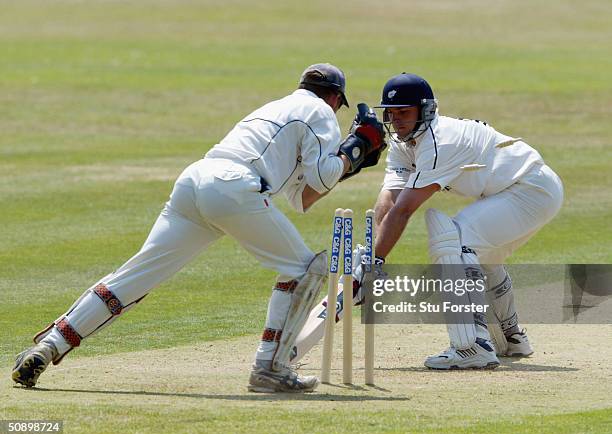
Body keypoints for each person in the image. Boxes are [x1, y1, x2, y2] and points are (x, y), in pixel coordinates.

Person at [11, 63, 386, 392]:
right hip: (235, 186)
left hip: (195, 182)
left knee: (135, 276)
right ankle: (270, 368)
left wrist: (349, 162)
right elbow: (323, 175)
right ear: (336, 98)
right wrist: (353, 147)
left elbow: (302, 197)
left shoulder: (276, 108)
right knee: (305, 270)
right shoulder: (320, 110)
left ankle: (50, 345)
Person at [371, 73, 564, 369]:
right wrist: (368, 257)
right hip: (520, 190)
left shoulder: (440, 141)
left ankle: (472, 345)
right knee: (481, 258)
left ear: (426, 110)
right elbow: (390, 201)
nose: (397, 121)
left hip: (529, 189)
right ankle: (511, 338)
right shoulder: (402, 143)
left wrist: (375, 263)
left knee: (455, 240)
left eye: (404, 113)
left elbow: (405, 210)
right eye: (391, 113)